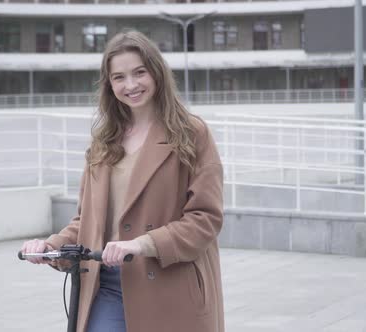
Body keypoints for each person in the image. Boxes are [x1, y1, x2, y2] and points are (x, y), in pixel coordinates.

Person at [20, 30, 224, 332]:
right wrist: (50, 247)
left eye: (139, 72)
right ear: (109, 84)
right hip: (105, 284)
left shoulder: (192, 134)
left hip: (170, 285)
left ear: (156, 73)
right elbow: (85, 221)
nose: (131, 85)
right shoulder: (103, 143)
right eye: (119, 77)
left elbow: (206, 219)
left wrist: (143, 244)